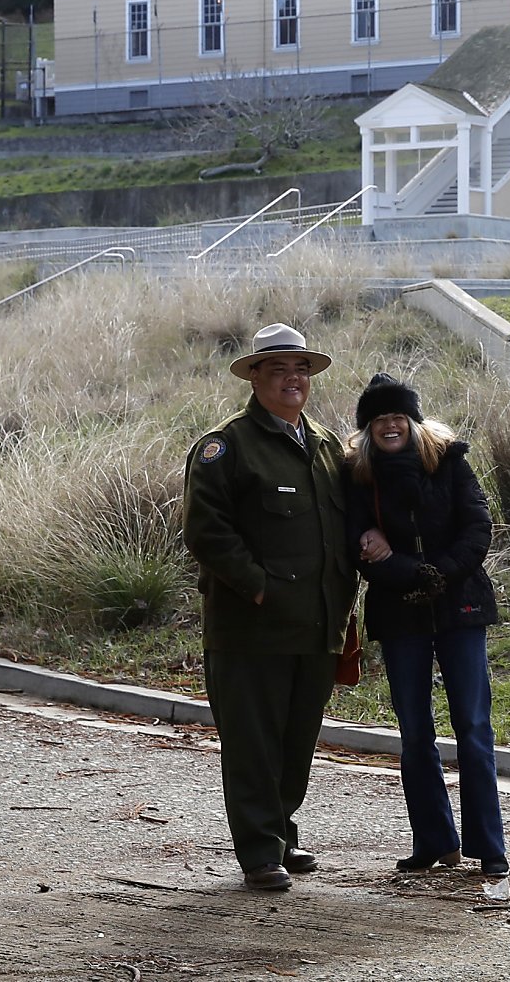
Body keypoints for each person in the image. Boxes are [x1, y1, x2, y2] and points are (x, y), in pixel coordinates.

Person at [182, 323, 355, 892]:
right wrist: (259, 588)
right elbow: (207, 532)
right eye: (279, 369)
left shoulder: (327, 446)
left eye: (301, 369)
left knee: (296, 738)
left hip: (316, 624)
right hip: (250, 628)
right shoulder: (226, 447)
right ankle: (259, 852)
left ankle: (282, 832)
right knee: (253, 740)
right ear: (254, 376)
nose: (293, 380)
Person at [346, 373, 509, 878]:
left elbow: (477, 528)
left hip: (461, 607)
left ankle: (489, 848)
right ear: (368, 430)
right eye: (378, 420)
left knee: (474, 728)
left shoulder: (452, 462)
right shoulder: (358, 477)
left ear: (414, 422)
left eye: (398, 416)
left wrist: (433, 573)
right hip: (399, 614)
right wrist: (406, 571)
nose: (390, 425)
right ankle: (435, 842)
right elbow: (363, 551)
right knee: (415, 731)